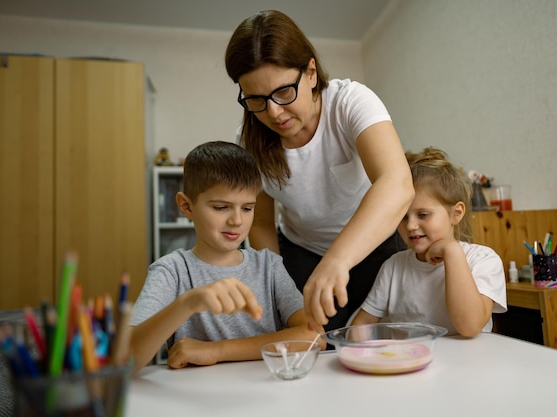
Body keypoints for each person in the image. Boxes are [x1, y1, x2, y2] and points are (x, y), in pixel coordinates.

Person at [225, 10, 415, 332]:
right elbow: (260, 221)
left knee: (377, 339)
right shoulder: (251, 141)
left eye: (284, 92)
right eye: (256, 99)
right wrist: (275, 284)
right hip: (302, 250)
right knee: (312, 339)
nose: (273, 112)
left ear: (310, 72)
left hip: (374, 243)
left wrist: (338, 260)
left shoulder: (351, 102)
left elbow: (397, 183)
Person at [130, 141, 323, 372]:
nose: (237, 221)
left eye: (247, 208)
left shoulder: (269, 265)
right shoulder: (171, 271)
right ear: (186, 206)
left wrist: (217, 350)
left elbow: (313, 336)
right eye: (221, 207)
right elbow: (126, 360)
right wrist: (188, 302)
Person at [351, 147, 507, 336]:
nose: (411, 226)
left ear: (456, 213)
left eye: (423, 214)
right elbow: (361, 326)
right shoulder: (393, 266)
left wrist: (452, 252)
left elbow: (469, 327)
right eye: (403, 216)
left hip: (467, 365)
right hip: (410, 364)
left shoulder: (483, 259)